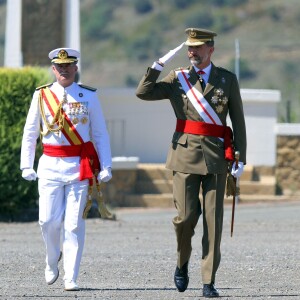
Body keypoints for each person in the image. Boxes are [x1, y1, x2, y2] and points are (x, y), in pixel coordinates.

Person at [136, 28, 246, 298]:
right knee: (185, 218)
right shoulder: (178, 78)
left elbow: (238, 121)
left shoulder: (226, 79)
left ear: (211, 49)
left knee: (213, 221)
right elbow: (144, 92)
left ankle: (208, 281)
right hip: (184, 155)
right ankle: (182, 263)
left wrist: (240, 157)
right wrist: (158, 65)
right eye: (189, 48)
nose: (192, 52)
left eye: (198, 48)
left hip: (217, 158)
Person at [20, 48, 112, 291]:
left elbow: (100, 133)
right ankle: (52, 259)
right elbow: (30, 133)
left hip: (77, 166)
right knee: (47, 221)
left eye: (68, 65)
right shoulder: (41, 95)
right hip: (50, 164)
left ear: (75, 67)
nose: (64, 69)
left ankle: (71, 276)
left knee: (73, 224)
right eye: (59, 66)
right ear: (53, 69)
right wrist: (26, 165)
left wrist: (106, 165)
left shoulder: (89, 96)